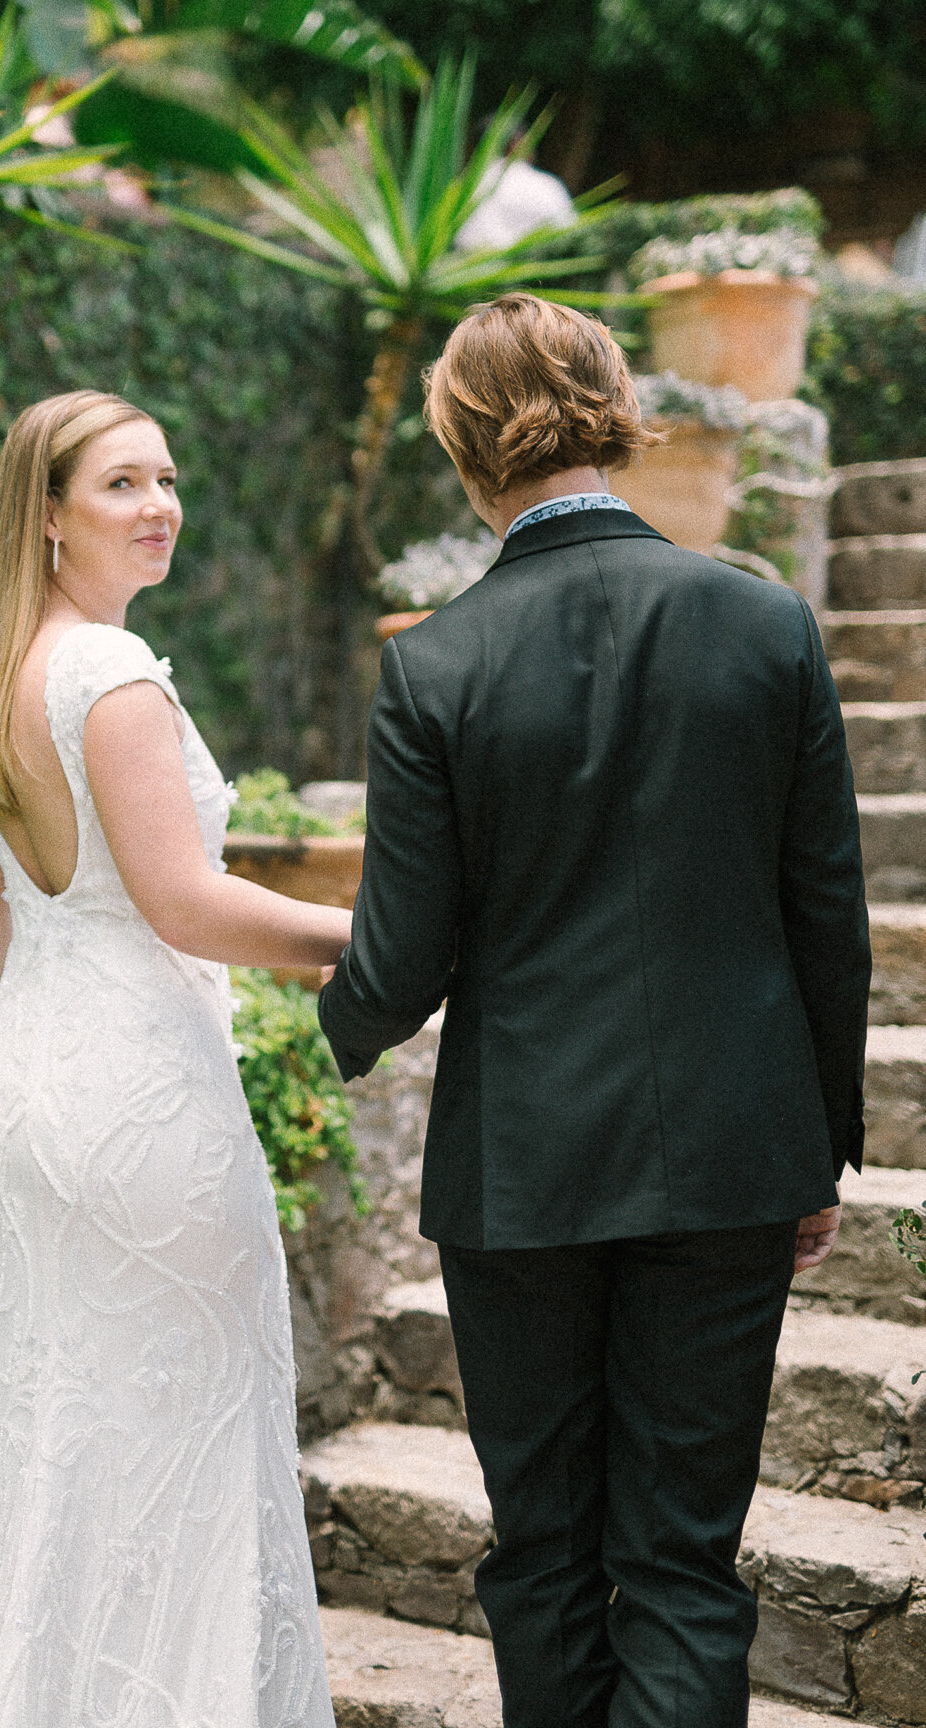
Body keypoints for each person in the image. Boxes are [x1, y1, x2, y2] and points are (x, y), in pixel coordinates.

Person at [318, 295, 869, 1728]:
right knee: (684, 1565)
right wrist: (820, 1147)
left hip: (525, 1177)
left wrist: (312, 1028)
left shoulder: (433, 664)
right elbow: (827, 916)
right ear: (621, 411)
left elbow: (401, 958)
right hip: (736, 1157)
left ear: (459, 440)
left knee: (547, 1553)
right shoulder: (764, 623)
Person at [0, 390, 347, 1728]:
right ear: (47, 515)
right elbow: (185, 900)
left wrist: (1, 1063)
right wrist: (383, 939)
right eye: (121, 484)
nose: (160, 503)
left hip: (25, 1094)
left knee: (54, 1462)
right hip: (141, 1103)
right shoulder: (113, 677)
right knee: (182, 1466)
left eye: (166, 476)